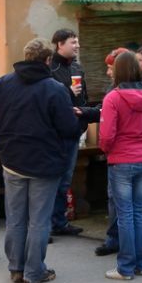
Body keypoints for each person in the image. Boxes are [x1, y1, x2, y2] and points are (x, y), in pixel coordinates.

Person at [0, 38, 80, 283]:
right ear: (48, 60)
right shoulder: (55, 89)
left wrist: (1, 144)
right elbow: (68, 128)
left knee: (15, 217)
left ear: (25, 56)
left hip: (12, 160)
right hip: (45, 164)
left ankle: (16, 267)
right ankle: (34, 271)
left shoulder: (2, 84)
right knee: (39, 220)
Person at [100, 50, 142, 281]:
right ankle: (140, 263)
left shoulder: (113, 98)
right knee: (138, 210)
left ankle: (125, 267)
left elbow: (106, 135)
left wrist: (108, 150)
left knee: (125, 213)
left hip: (121, 160)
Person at [48, 29, 100, 237]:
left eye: (77, 42)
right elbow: (50, 98)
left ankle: (60, 221)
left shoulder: (77, 67)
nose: (77, 46)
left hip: (75, 129)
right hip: (55, 132)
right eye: (73, 42)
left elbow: (84, 97)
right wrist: (68, 92)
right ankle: (50, 224)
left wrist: (85, 114)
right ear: (60, 44)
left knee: (66, 179)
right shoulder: (51, 68)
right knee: (54, 179)